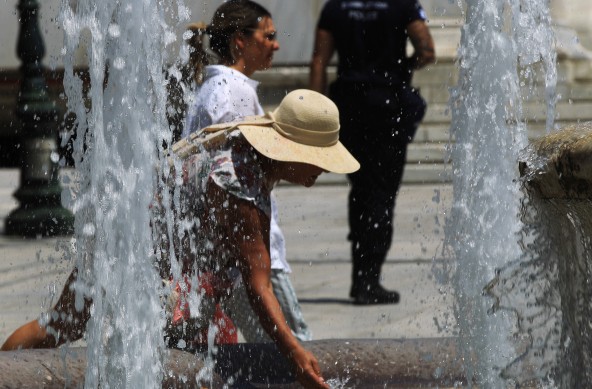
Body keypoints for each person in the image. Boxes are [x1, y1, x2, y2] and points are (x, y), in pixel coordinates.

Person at [3, 89, 359, 389]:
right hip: (137, 254)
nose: (323, 168)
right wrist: (294, 350)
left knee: (62, 324)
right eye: (318, 159)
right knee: (71, 328)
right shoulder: (241, 187)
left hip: (125, 234)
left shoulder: (246, 152)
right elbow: (258, 284)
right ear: (291, 149)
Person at [182, 0, 312, 342]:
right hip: (247, 255)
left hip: (226, 256)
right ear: (240, 40)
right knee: (292, 349)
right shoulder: (234, 92)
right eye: (268, 36)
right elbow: (232, 180)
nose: (276, 44)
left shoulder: (215, 88)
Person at [309, 0, 435, 305]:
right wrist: (401, 67)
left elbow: (318, 62)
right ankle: (369, 279)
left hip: (349, 106)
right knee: (382, 193)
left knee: (361, 189)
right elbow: (427, 51)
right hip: (388, 104)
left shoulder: (335, 8)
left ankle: (360, 278)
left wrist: (313, 112)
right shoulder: (403, 4)